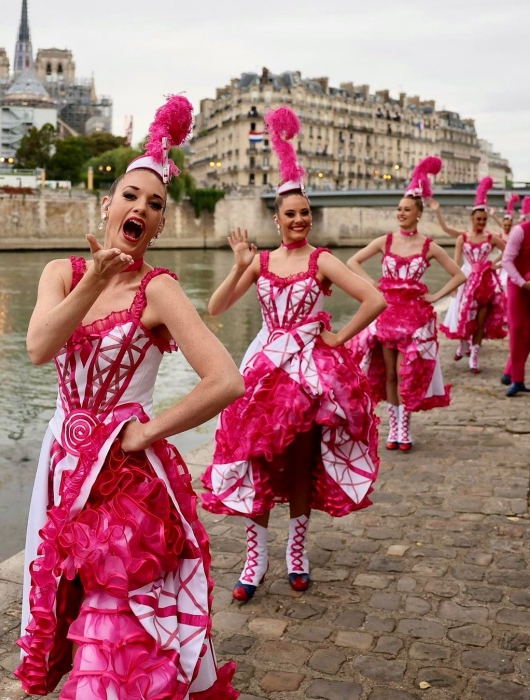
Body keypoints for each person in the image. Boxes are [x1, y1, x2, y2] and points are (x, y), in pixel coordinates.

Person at [15, 96, 243, 700]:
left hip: (126, 479)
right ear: (107, 204)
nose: (141, 207)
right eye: (131, 196)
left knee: (113, 630)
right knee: (68, 612)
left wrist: (147, 431)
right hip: (63, 467)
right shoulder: (62, 274)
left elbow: (226, 379)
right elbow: (39, 347)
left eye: (155, 204)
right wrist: (95, 273)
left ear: (161, 225)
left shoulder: (160, 290)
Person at [200, 106, 386, 603]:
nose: (300, 220)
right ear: (277, 219)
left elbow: (375, 299)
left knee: (301, 464)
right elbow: (216, 307)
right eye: (291, 214)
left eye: (305, 213)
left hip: (307, 373)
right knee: (256, 460)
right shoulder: (260, 262)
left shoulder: (322, 259)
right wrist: (240, 266)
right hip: (263, 369)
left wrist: (338, 338)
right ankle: (255, 558)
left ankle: (296, 554)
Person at [347, 156, 465, 452]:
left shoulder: (428, 246)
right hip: (387, 315)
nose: (401, 213)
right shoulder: (385, 241)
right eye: (398, 209)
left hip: (414, 319)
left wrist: (437, 296)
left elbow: (459, 275)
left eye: (406, 210)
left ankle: (405, 427)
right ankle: (393, 428)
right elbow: (353, 261)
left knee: (405, 372)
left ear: (418, 213)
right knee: (387, 373)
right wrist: (373, 286)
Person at [431, 177, 506, 372]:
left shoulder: (491, 238)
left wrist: (494, 264)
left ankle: (474, 354)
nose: (481, 222)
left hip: (486, 282)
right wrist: (454, 286)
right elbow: (455, 263)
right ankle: (464, 343)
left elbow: (509, 250)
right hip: (466, 280)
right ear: (472, 219)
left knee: (481, 319)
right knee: (466, 317)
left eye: (484, 219)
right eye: (478, 219)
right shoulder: (462, 238)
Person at [501, 196, 530, 396]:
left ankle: (510, 372)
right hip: (517, 285)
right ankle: (516, 379)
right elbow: (507, 261)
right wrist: (522, 282)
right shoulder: (520, 231)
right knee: (518, 328)